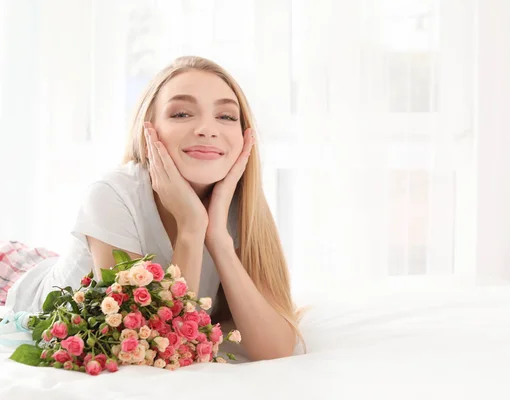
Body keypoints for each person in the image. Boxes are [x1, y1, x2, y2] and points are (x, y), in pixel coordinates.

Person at [4, 56, 302, 361]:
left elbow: (276, 349)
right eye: (182, 113)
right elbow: (154, 345)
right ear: (150, 133)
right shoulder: (112, 195)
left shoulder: (240, 207)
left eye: (226, 116)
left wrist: (218, 240)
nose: (207, 129)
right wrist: (190, 227)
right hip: (13, 279)